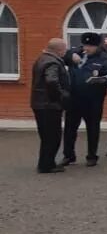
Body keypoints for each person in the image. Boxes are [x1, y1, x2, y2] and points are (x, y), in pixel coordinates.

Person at [62, 32, 107, 167]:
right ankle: (68, 155)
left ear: (97, 46)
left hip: (93, 101)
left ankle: (92, 156)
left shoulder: (105, 59)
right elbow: (61, 56)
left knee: (92, 129)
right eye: (85, 45)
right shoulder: (76, 53)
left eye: (90, 46)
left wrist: (102, 80)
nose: (87, 48)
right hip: (74, 99)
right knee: (69, 129)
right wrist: (70, 55)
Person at [30, 38, 71, 174]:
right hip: (49, 105)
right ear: (58, 50)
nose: (65, 52)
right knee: (53, 136)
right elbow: (52, 81)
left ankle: (46, 163)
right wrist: (62, 95)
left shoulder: (41, 59)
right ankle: (47, 165)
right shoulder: (52, 62)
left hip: (40, 103)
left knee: (46, 136)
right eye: (64, 49)